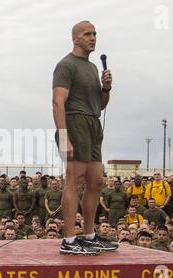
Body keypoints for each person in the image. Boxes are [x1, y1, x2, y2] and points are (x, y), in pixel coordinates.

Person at [53, 21, 117, 255]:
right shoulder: (65, 65)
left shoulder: (91, 68)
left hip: (92, 122)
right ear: (75, 38)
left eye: (95, 34)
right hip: (75, 122)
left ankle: (88, 235)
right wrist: (64, 138)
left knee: (96, 181)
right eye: (87, 34)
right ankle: (69, 239)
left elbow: (99, 106)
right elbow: (57, 102)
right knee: (74, 181)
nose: (93, 38)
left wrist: (106, 88)